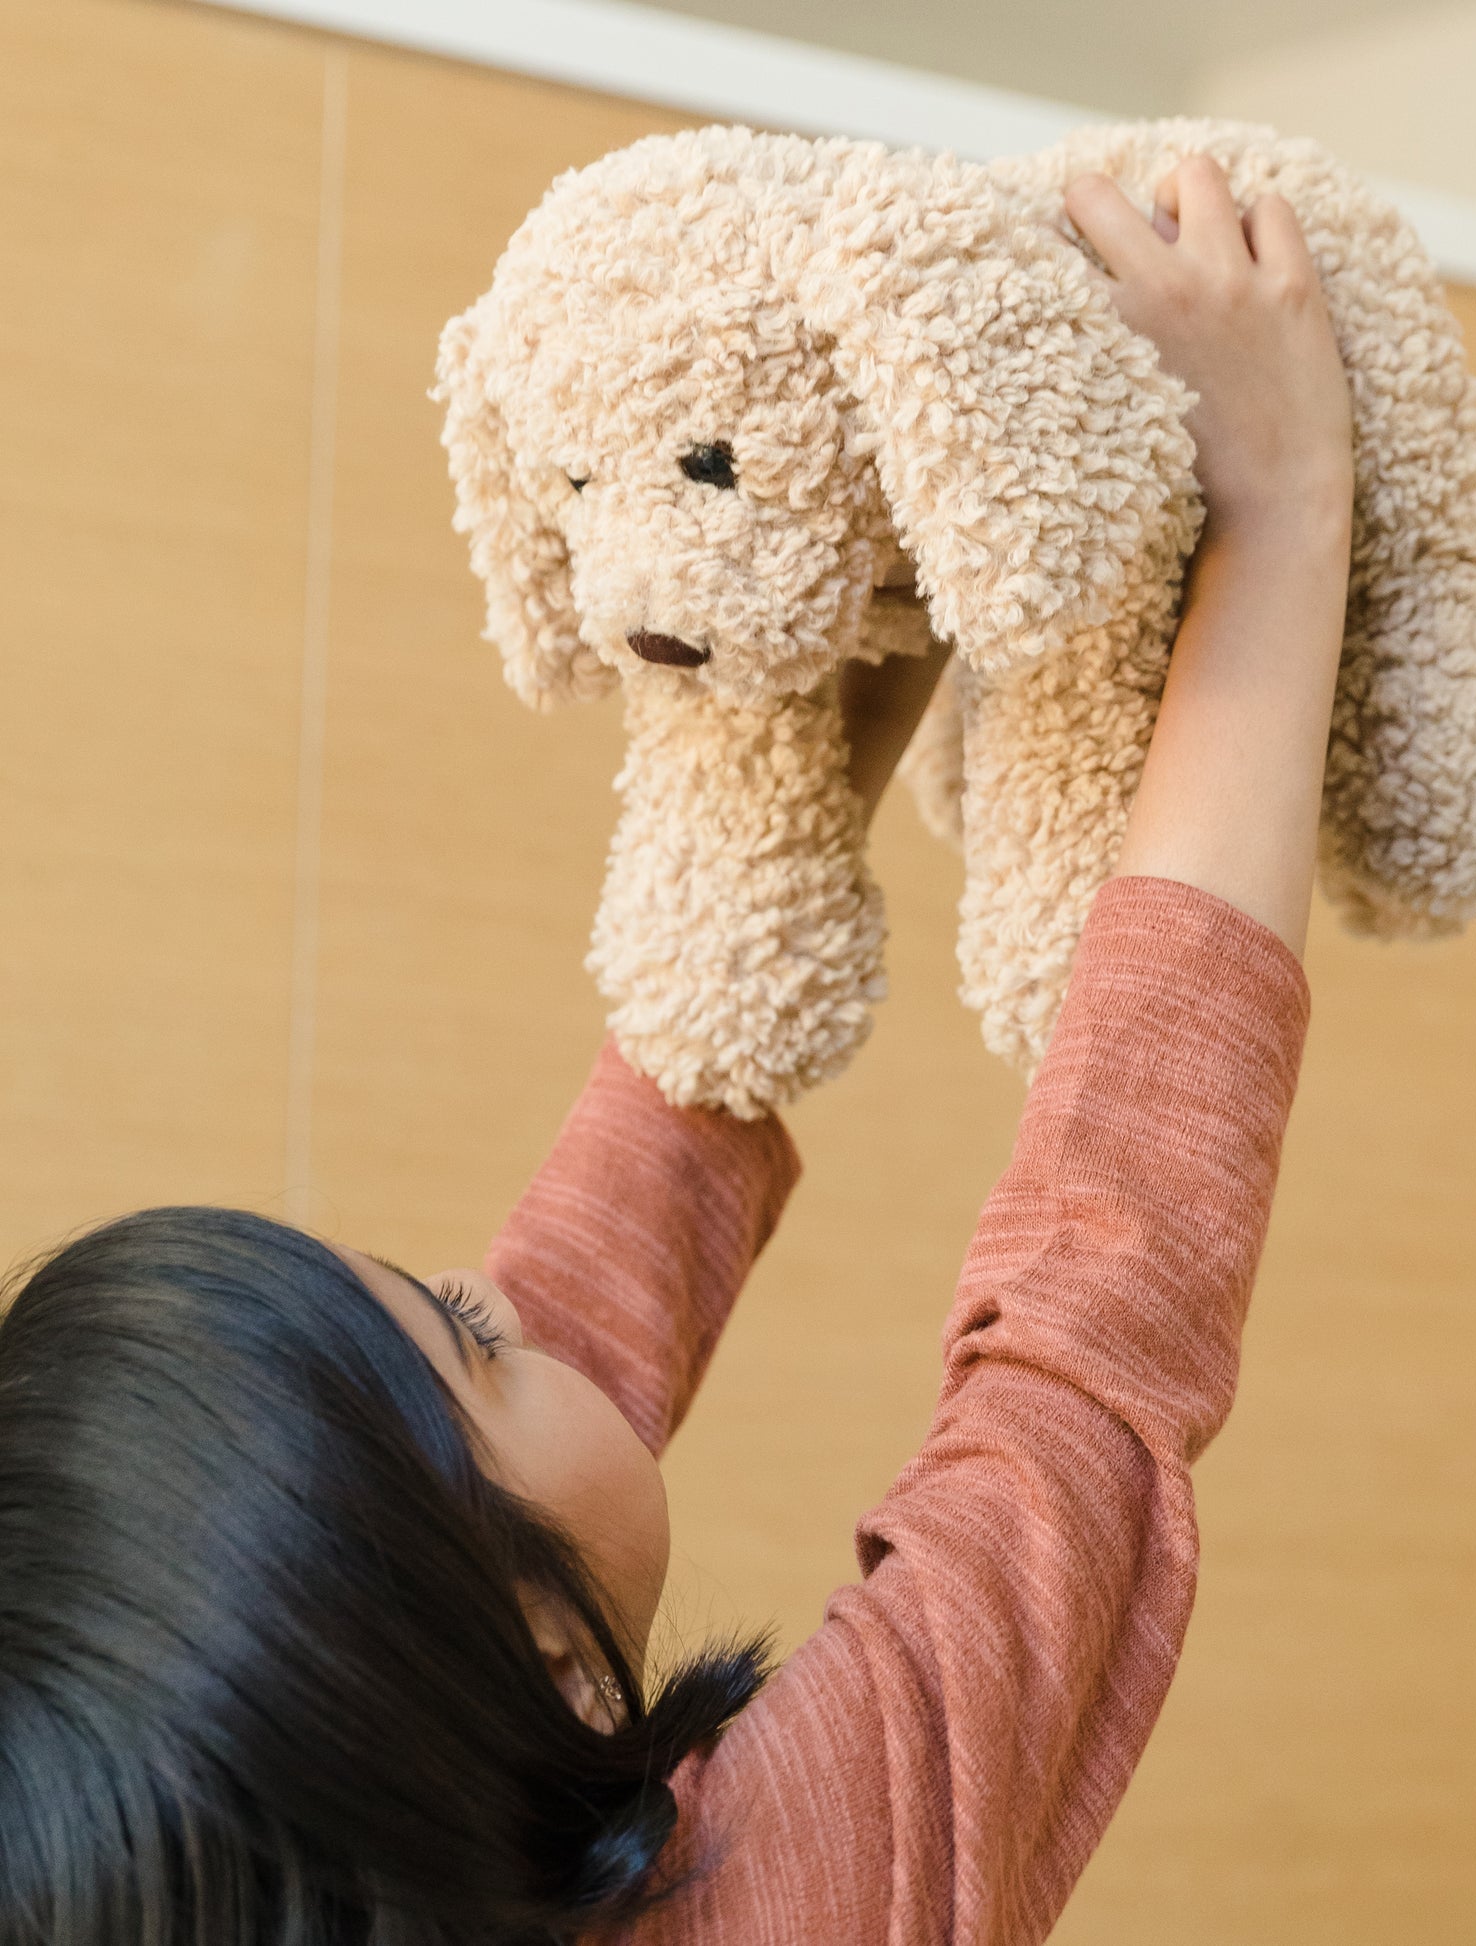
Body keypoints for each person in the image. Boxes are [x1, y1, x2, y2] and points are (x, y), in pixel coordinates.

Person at [0, 154, 1354, 1945]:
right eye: (475, 1335)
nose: (514, 1293)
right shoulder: (789, 1895)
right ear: (561, 1665)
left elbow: (591, 1303)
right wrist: (1279, 499)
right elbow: (1086, 1364)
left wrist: (828, 662)